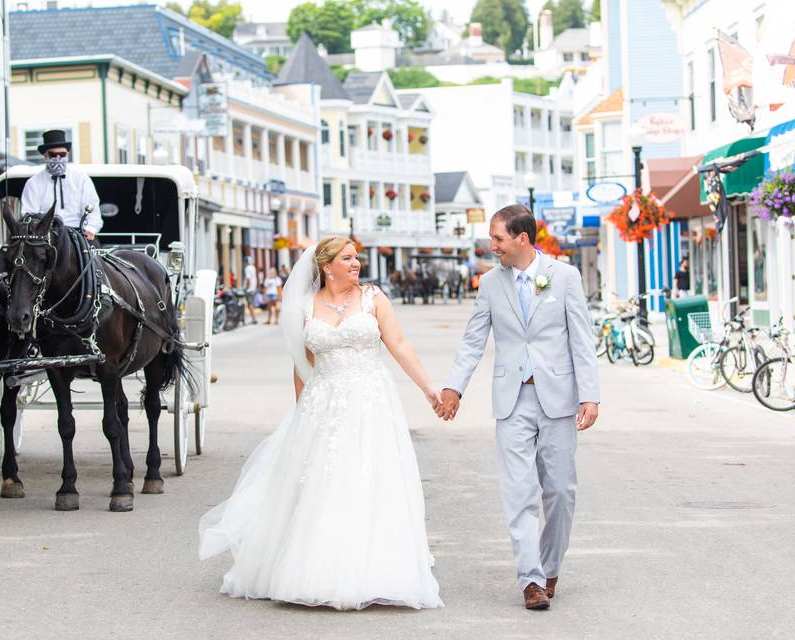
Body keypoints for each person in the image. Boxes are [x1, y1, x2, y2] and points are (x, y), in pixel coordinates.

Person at [199, 236, 444, 611]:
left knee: (369, 478)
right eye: (347, 258)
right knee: (324, 482)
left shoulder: (373, 298)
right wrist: (302, 412)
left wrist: (429, 388)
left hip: (370, 400)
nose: (356, 263)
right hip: (323, 401)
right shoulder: (305, 306)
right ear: (327, 266)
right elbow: (301, 364)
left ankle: (376, 571)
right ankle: (314, 569)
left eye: (357, 257)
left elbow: (399, 344)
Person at [437, 205, 599, 611]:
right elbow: (474, 339)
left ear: (522, 238)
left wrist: (590, 394)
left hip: (559, 398)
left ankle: (550, 568)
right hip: (512, 400)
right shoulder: (490, 283)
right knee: (519, 490)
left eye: (498, 239)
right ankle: (530, 580)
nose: (492, 247)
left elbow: (581, 338)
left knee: (560, 491)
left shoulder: (564, 277)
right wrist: (454, 387)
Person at [20, 130, 102, 240]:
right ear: (45, 155)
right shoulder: (33, 183)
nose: (58, 158)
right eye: (53, 154)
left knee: (92, 255)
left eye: (62, 154)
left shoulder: (82, 179)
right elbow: (29, 213)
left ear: (67, 154)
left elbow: (93, 209)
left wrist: (90, 229)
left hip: (79, 235)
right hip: (47, 237)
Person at [242, 256, 258, 324]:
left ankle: (253, 319)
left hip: (249, 289)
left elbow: (248, 279)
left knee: (249, 304)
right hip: (253, 288)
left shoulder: (247, 268)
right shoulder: (253, 267)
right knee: (250, 304)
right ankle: (253, 318)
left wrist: (246, 288)